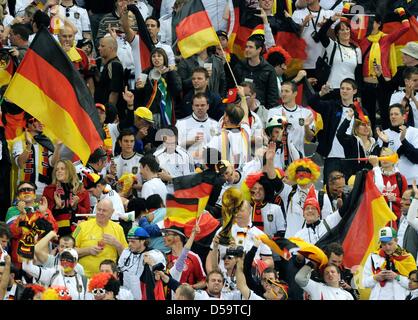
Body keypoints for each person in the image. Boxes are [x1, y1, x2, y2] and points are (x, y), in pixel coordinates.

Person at [358, 10, 410, 130]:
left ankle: (388, 141)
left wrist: (402, 13)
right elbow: (344, 30)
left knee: (386, 114)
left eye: (371, 22)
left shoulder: (386, 38)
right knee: (368, 115)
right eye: (367, 22)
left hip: (384, 83)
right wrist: (346, 11)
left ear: (378, 23)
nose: (368, 25)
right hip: (368, 85)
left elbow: (406, 27)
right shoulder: (363, 40)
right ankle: (370, 141)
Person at [308, 78, 360, 182]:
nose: (344, 91)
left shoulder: (359, 112)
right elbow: (311, 102)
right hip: (332, 156)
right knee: (329, 189)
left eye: (348, 89)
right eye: (342, 88)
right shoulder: (331, 106)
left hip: (351, 159)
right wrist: (321, 93)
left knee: (349, 191)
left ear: (354, 91)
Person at [73, 198, 128, 278]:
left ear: (111, 212)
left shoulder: (118, 228)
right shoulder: (82, 226)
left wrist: (117, 244)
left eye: (104, 210)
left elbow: (126, 256)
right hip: (85, 277)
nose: (100, 213)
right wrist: (87, 250)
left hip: (109, 279)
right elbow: (69, 250)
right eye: (99, 209)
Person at [9, 183, 58, 268]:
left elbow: (53, 230)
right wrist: (22, 215)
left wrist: (42, 213)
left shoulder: (44, 209)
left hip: (40, 260)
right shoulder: (12, 211)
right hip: (21, 262)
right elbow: (13, 233)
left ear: (35, 195)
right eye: (22, 190)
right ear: (18, 197)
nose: (26, 191)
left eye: (29, 189)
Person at [362, 226, 417, 300]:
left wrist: (397, 277)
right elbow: (364, 283)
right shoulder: (373, 256)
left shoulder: (407, 257)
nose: (387, 247)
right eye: (384, 244)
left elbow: (414, 285)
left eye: (390, 244)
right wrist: (375, 278)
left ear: (396, 240)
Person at [12, 114, 60, 196]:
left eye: (42, 121)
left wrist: (58, 147)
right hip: (25, 190)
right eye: (37, 120)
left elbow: (54, 163)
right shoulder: (19, 141)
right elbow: (20, 163)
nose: (41, 123)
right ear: (28, 123)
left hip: (43, 191)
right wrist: (29, 145)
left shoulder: (47, 141)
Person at [133, 47, 182, 128]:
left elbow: (177, 90)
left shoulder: (170, 72)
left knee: (163, 135)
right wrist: (138, 88)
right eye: (154, 56)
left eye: (159, 56)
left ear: (164, 58)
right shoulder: (146, 72)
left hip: (165, 110)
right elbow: (140, 95)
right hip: (149, 110)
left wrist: (171, 72)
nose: (156, 58)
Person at [267, 81, 315, 160]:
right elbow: (272, 138)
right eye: (282, 91)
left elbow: (309, 138)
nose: (283, 94)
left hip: (298, 158)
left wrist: (306, 126)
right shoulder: (273, 112)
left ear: (295, 93)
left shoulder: (306, 113)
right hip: (278, 158)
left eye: (287, 91)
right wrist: (283, 126)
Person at [316, 14, 362, 95]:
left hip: (350, 90)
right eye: (342, 30)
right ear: (337, 33)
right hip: (332, 89)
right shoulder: (332, 45)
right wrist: (331, 20)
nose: (345, 32)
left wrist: (359, 94)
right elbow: (321, 34)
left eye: (347, 29)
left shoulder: (357, 50)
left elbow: (358, 73)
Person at [42, 160, 90, 236]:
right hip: (56, 233)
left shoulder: (81, 190)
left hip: (77, 232)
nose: (59, 171)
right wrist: (56, 207)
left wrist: (75, 207)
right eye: (57, 169)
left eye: (62, 169)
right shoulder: (49, 190)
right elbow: (44, 214)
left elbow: (87, 214)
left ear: (70, 171)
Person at [291, 0, 334, 83]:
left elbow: (334, 38)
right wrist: (303, 23)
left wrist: (326, 26)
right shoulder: (297, 14)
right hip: (303, 63)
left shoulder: (329, 14)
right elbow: (293, 39)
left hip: (324, 63)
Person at [118, 226, 166, 300]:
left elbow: (162, 269)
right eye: (129, 241)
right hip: (127, 296)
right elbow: (120, 271)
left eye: (133, 241)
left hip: (144, 296)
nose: (130, 244)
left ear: (143, 240)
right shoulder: (126, 252)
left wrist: (151, 261)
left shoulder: (154, 253)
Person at [22, 248, 88, 300]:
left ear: (76, 262)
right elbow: (27, 267)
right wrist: (28, 247)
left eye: (69, 259)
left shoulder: (84, 280)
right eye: (63, 259)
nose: (65, 262)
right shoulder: (53, 274)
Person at [233, 34, 279, 110]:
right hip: (239, 109)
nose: (247, 49)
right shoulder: (239, 66)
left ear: (259, 49)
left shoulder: (268, 70)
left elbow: (273, 96)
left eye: (251, 47)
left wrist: (269, 113)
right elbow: (232, 88)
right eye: (246, 47)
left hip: (260, 110)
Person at [376, 103, 418, 185]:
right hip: (391, 182)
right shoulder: (384, 134)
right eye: (391, 114)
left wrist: (403, 140)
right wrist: (385, 143)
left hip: (412, 181)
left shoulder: (415, 132)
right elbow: (380, 162)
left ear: (404, 116)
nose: (393, 116)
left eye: (396, 114)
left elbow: (416, 158)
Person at [175, 93, 219, 164]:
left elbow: (219, 147)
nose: (200, 108)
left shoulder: (216, 125)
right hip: (189, 165)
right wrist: (192, 141)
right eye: (197, 105)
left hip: (210, 166)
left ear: (208, 106)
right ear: (192, 107)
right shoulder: (181, 124)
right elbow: (178, 148)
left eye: (202, 105)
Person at [336, 109, 380, 178]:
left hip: (370, 181)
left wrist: (385, 143)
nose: (366, 127)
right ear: (356, 127)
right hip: (352, 181)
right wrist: (348, 118)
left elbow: (381, 160)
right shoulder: (351, 141)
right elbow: (339, 134)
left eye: (368, 124)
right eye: (363, 124)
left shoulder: (375, 144)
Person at [163, 226, 206, 290]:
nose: (164, 237)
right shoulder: (164, 256)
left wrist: (191, 287)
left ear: (177, 237)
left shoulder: (193, 257)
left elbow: (204, 282)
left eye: (167, 234)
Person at [94, 35, 126, 122]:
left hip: (109, 116)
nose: (99, 48)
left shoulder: (115, 65)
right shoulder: (108, 64)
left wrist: (110, 115)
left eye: (102, 46)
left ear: (111, 48)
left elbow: (114, 92)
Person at [153, 126, 195, 193]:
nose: (169, 145)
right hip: (160, 194)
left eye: (172, 142)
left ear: (177, 138)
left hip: (179, 196)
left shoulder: (186, 156)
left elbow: (190, 182)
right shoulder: (156, 155)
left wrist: (170, 179)